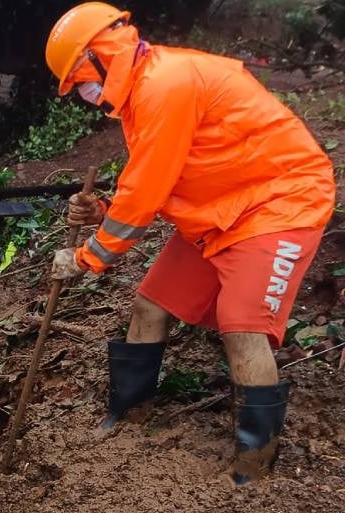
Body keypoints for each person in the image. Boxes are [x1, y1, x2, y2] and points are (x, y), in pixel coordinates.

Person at [45, 2, 335, 483]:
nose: (82, 94)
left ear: (100, 56)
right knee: (149, 306)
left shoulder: (165, 85)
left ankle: (254, 467)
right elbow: (157, 177)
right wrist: (104, 213)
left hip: (279, 203)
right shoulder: (144, 92)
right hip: (219, 211)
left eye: (78, 81)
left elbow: (145, 193)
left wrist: (85, 258)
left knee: (242, 328)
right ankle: (128, 415)